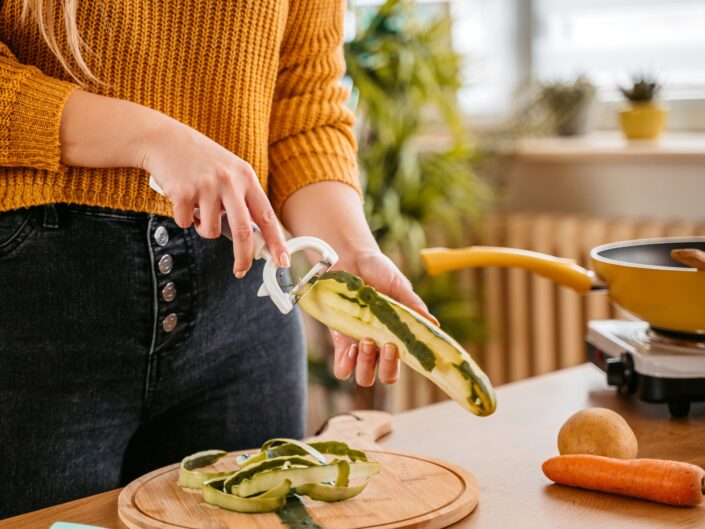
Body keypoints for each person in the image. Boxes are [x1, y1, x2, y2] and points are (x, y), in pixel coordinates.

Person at [0, 0, 437, 518]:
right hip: (32, 305)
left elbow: (304, 106)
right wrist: (151, 138)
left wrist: (352, 252)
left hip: (242, 310)